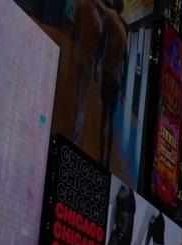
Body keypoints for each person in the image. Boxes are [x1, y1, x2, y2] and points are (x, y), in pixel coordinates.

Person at [71, 0, 102, 146]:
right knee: (83, 101)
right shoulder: (97, 20)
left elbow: (75, 26)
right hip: (89, 59)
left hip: (79, 53)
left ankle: (70, 126)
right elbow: (98, 48)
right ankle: (76, 141)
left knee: (77, 94)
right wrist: (96, 69)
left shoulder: (81, 6)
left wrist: (76, 40)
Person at [99, 0, 126, 168]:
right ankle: (108, 160)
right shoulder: (123, 29)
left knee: (103, 118)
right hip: (116, 81)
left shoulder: (110, 18)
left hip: (107, 75)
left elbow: (102, 40)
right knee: (111, 120)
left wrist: (96, 63)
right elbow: (126, 58)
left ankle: (101, 157)